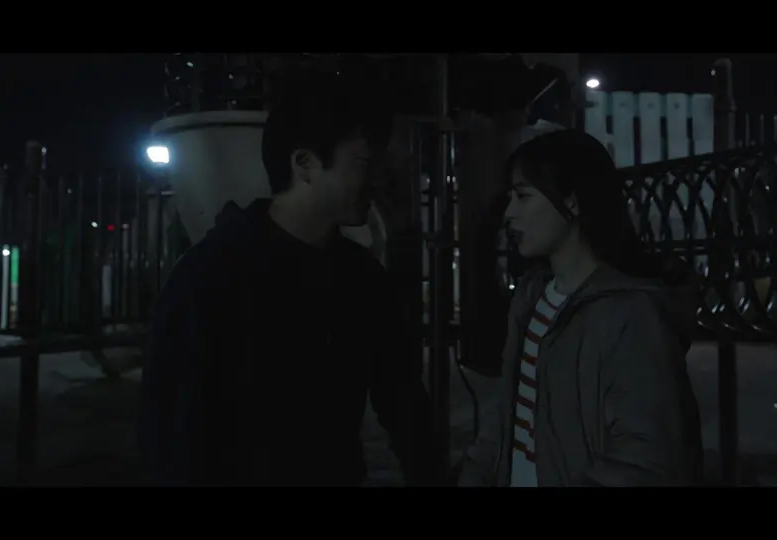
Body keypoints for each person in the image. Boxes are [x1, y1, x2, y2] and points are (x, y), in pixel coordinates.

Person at [139, 74, 444, 486]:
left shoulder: (362, 278)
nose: (379, 180)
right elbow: (170, 434)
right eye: (364, 163)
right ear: (304, 163)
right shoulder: (210, 276)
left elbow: (402, 401)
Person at [458, 129, 704, 487]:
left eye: (523, 196)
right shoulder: (531, 298)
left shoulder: (630, 314)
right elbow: (507, 416)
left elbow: (644, 458)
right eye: (510, 197)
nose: (509, 213)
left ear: (572, 202)